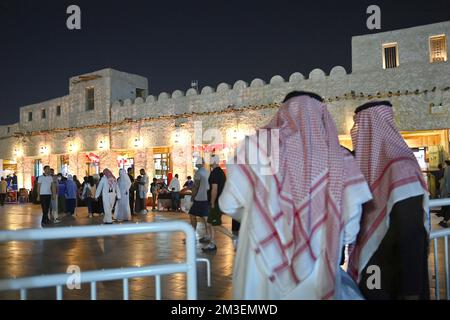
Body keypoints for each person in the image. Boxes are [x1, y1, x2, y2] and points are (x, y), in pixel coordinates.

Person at [218, 91, 372, 300]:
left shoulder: (256, 147)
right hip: (317, 271)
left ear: (284, 113)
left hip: (259, 265)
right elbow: (350, 230)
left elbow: (228, 204)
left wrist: (264, 214)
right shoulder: (340, 159)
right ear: (321, 115)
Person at [348, 100, 430, 300]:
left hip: (398, 276)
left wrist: (410, 292)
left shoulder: (401, 169)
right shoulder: (372, 171)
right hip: (375, 267)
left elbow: (411, 236)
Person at [202, 155, 226, 252]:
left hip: (215, 202)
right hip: (218, 200)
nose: (210, 161)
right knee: (211, 223)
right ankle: (211, 242)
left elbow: (214, 189)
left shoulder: (215, 173)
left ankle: (234, 238)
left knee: (215, 224)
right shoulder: (221, 172)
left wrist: (212, 202)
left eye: (211, 160)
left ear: (215, 161)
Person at [188, 158, 210, 242]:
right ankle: (207, 235)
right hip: (206, 197)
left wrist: (193, 196)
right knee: (205, 217)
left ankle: (192, 234)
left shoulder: (198, 173)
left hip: (199, 198)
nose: (195, 164)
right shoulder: (207, 172)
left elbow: (196, 186)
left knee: (192, 215)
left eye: (197, 162)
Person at [438, 160, 450, 227]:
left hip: (448, 192)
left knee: (448, 207)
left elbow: (447, 181)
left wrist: (448, 192)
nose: (443, 165)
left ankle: (445, 221)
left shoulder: (447, 169)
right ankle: (444, 220)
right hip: (447, 191)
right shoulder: (447, 169)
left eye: (444, 164)